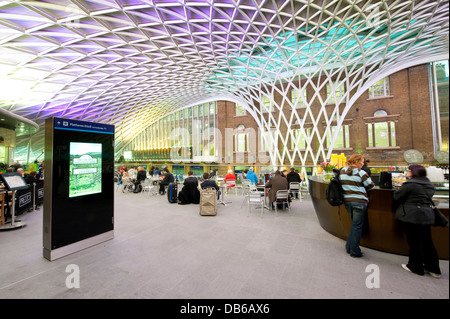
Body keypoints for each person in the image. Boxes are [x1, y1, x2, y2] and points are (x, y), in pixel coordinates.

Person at [393, 165, 441, 278]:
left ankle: (415, 266)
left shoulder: (410, 184)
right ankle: (434, 268)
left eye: (408, 170)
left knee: (414, 241)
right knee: (427, 241)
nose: (407, 172)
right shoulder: (429, 184)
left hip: (413, 215)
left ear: (414, 172)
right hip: (427, 214)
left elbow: (397, 196)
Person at [339, 154, 375, 258]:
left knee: (355, 225)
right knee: (357, 226)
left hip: (347, 201)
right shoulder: (361, 172)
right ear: (356, 162)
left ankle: (349, 246)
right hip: (359, 201)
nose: (363, 163)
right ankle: (354, 250)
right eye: (362, 161)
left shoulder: (342, 171)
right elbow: (371, 186)